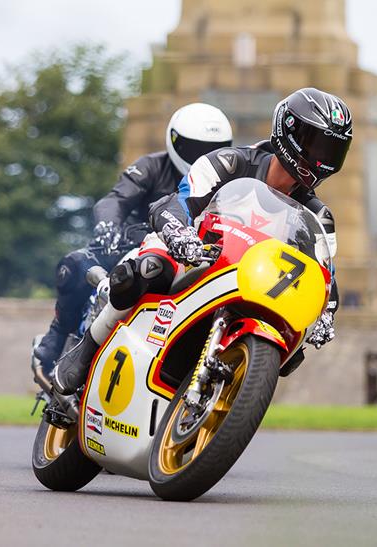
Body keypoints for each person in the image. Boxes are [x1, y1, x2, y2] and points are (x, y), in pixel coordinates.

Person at [53, 87, 352, 395]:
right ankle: (88, 347)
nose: (321, 159)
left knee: (294, 351)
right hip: (192, 254)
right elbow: (177, 203)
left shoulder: (319, 216)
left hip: (251, 283)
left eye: (331, 152)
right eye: (316, 145)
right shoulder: (229, 162)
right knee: (149, 268)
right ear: (287, 130)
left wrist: (326, 315)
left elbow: (325, 279)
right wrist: (179, 233)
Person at [33, 103, 233, 373]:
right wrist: (108, 226)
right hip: (134, 245)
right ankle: (57, 336)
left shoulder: (229, 181)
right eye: (195, 148)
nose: (203, 157)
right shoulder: (152, 166)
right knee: (74, 265)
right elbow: (115, 200)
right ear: (174, 141)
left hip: (197, 258)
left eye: (212, 149)